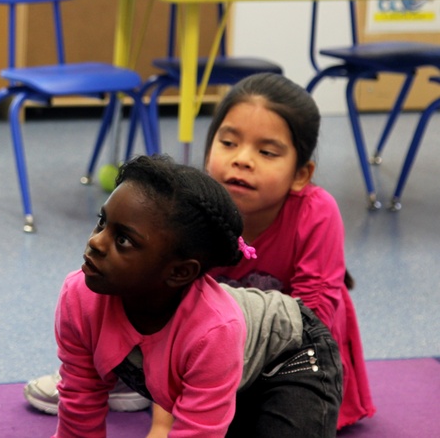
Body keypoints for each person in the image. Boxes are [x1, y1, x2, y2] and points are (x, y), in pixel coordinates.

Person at [54, 154, 342, 438]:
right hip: (232, 374)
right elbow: (80, 401)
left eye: (123, 240)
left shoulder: (212, 331)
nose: (95, 241)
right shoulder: (80, 296)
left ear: (179, 273)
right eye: (102, 222)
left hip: (293, 352)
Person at [203, 72, 375, 429]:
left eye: (266, 152)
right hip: (211, 354)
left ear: (301, 174)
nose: (243, 160)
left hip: (297, 354)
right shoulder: (193, 206)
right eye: (229, 142)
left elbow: (316, 317)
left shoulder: (315, 211)